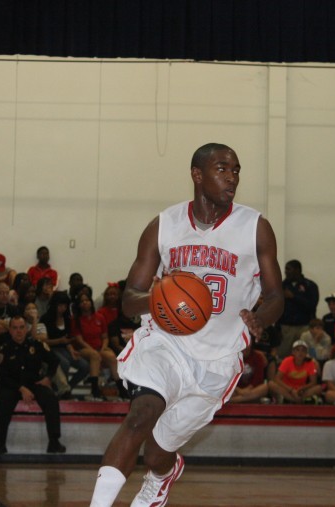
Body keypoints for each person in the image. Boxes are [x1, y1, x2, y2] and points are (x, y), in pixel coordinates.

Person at [89, 143, 284, 507]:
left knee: (157, 453)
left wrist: (262, 318)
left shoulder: (256, 227)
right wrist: (160, 298)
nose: (232, 178)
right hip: (167, 343)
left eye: (236, 171)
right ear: (197, 174)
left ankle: (163, 475)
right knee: (140, 415)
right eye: (222, 169)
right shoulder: (163, 225)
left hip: (217, 359)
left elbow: (276, 296)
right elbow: (129, 299)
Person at [0, 315, 66, 455]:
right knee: (3, 401)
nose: (18, 331)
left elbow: (54, 361)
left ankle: (54, 442)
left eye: (21, 327)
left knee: (51, 398)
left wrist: (48, 378)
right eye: (15, 328)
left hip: (34, 383)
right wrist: (21, 388)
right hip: (12, 386)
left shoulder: (37, 345)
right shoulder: (3, 350)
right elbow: (2, 376)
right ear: (10, 330)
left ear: (26, 329)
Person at [71, 293, 128, 400]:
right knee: (94, 355)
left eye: (87, 300)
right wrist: (93, 350)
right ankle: (95, 390)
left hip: (99, 347)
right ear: (78, 305)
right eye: (82, 301)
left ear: (91, 302)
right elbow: (79, 340)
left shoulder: (99, 317)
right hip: (83, 349)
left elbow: (105, 337)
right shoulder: (76, 320)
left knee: (111, 356)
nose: (85, 303)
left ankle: (121, 389)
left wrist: (104, 347)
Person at [40, 291, 92, 397]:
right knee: (64, 363)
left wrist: (72, 350)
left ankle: (68, 388)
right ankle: (60, 388)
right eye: (60, 305)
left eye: (65, 306)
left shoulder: (67, 319)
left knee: (85, 366)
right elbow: (43, 341)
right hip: (50, 348)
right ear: (54, 305)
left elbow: (67, 339)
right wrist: (60, 341)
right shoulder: (46, 318)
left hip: (65, 348)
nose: (62, 308)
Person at [277, 259, 319, 359]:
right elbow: (277, 308)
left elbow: (312, 305)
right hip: (286, 328)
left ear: (297, 270)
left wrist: (293, 297)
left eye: (289, 269)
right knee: (283, 356)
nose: (286, 272)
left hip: (304, 326)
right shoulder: (282, 286)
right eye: (285, 269)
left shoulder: (310, 285)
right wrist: (277, 328)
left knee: (305, 356)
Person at [270, 339, 323, 403]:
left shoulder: (310, 363)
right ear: (293, 352)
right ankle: (299, 400)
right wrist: (291, 390)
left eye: (303, 350)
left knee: (319, 388)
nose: (300, 353)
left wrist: (303, 388)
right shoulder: (287, 361)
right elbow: (277, 379)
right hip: (287, 389)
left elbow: (313, 382)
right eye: (297, 350)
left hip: (301, 390)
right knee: (271, 384)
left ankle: (290, 399)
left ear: (306, 353)